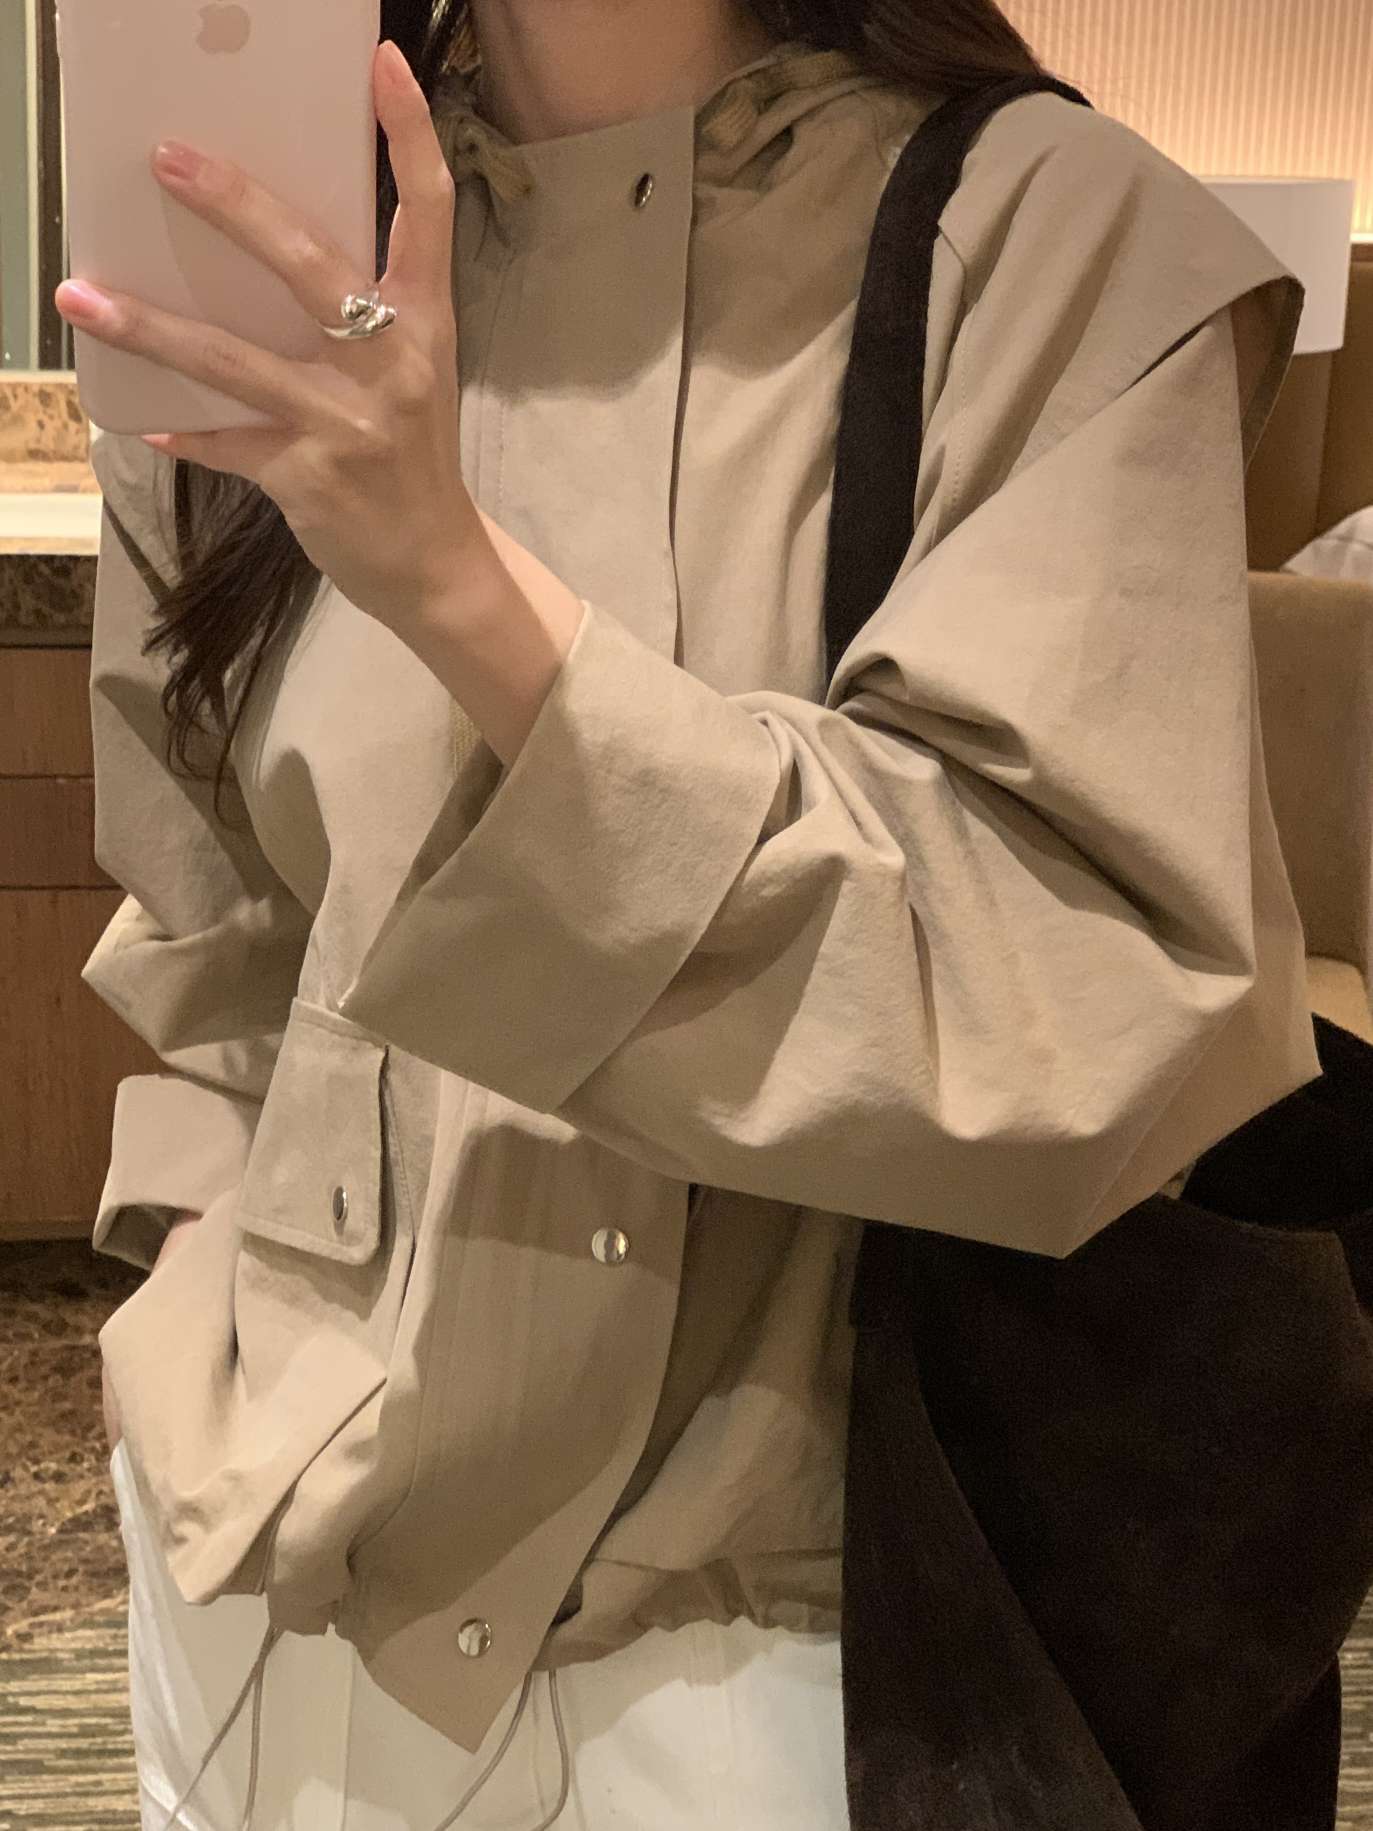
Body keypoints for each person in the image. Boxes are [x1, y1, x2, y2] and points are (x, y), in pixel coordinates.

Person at [60, 0, 1317, 1824]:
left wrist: (464, 595)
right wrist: (193, 1287)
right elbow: (212, 907)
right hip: (257, 1564)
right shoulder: (273, 231)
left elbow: (1072, 1003)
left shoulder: (1041, 238)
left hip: (787, 1657)